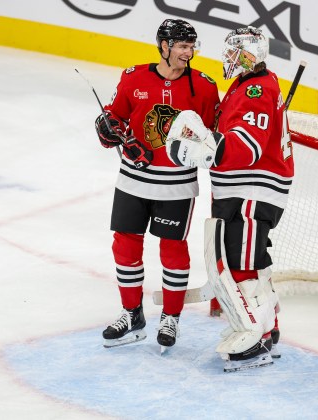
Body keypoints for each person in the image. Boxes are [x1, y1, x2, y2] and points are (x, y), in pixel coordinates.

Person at [165, 26, 293, 371]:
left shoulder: (254, 88)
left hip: (251, 190)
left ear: (247, 54)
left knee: (239, 263)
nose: (227, 58)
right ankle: (267, 329)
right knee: (252, 261)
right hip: (243, 188)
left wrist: (206, 151)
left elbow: (246, 147)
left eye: (232, 52)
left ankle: (253, 336)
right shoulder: (248, 86)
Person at [95, 19, 220, 352]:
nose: (188, 53)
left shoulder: (204, 88)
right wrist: (110, 131)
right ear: (164, 46)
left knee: (173, 250)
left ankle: (171, 318)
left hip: (177, 184)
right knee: (125, 246)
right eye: (181, 46)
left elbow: (215, 135)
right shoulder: (133, 77)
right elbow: (114, 118)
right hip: (133, 178)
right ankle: (132, 314)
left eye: (191, 47)